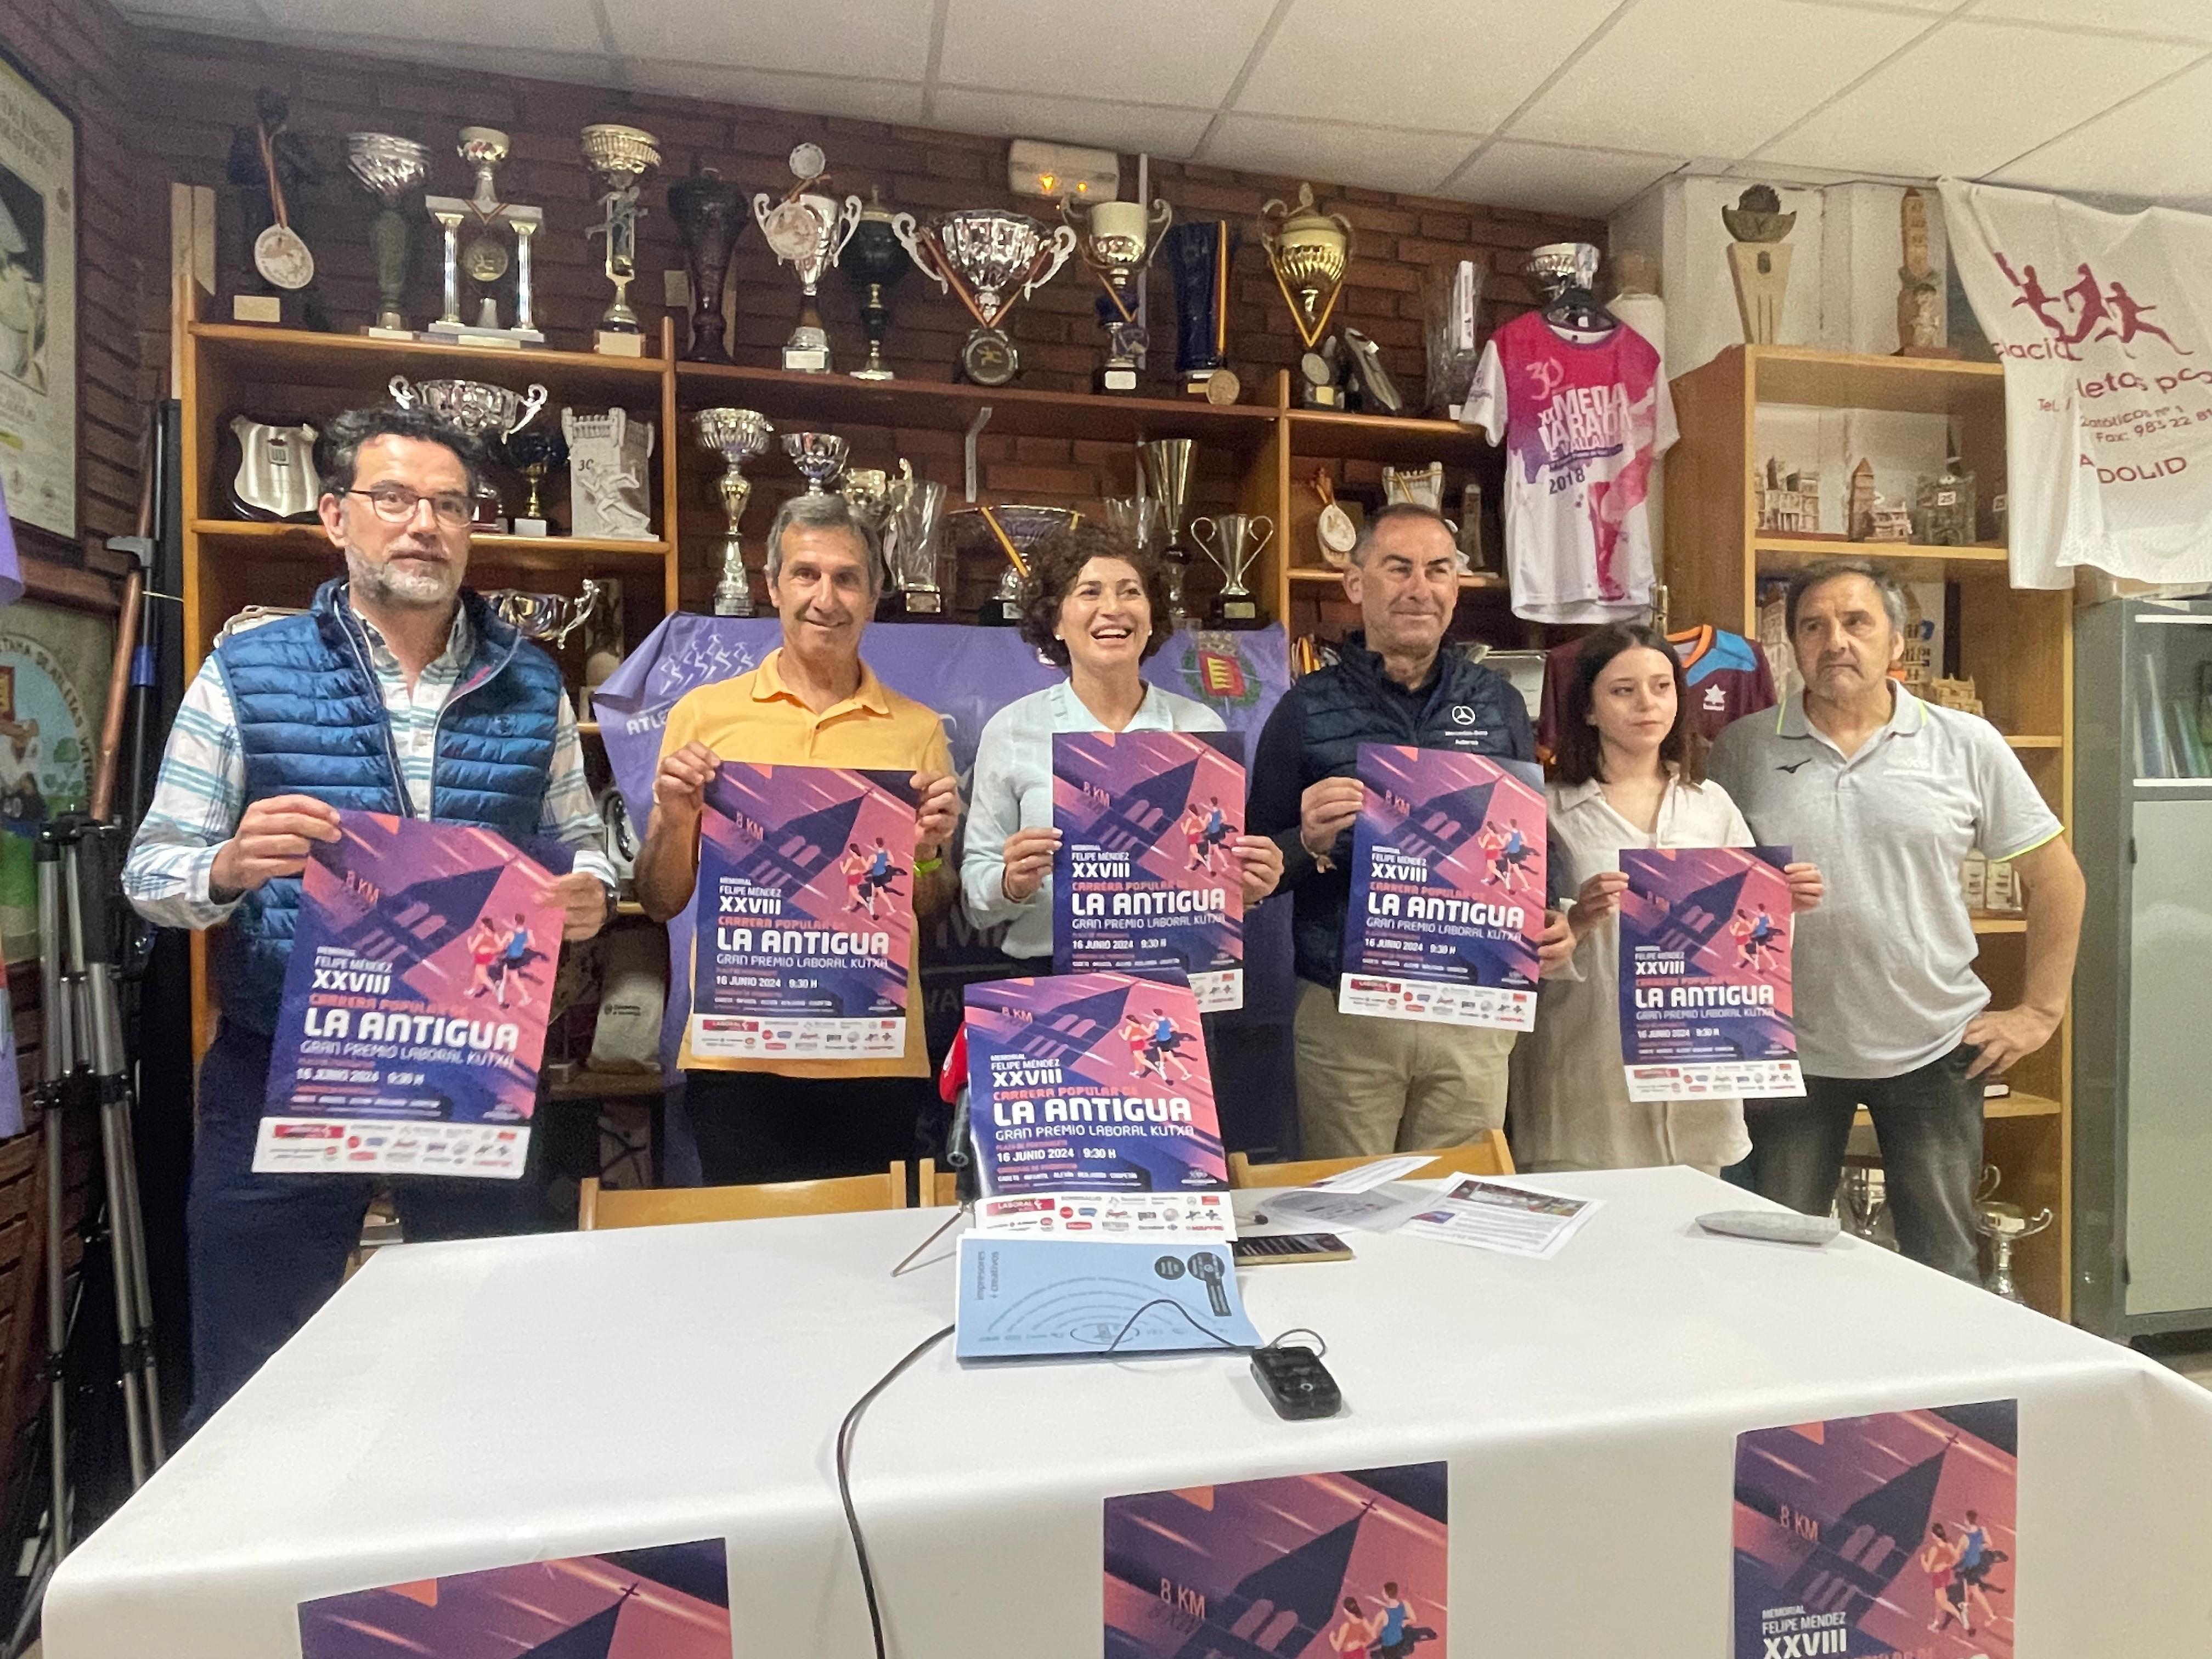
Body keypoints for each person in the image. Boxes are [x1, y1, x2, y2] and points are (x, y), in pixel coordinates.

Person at [121, 405, 617, 1423]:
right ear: (335, 515)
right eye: (393, 498)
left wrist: (592, 893)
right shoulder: (248, 671)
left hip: (474, 1067)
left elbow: (583, 841)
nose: (423, 524)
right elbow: (150, 871)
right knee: (257, 1379)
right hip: (286, 1068)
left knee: (488, 1369)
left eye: (448, 504)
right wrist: (227, 865)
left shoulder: (532, 683)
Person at [1708, 558, 2085, 1280]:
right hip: (1789, 1050)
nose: (1835, 641)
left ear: (1896, 642)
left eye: (1857, 622)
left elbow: (2057, 879)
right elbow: (1709, 890)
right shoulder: (1744, 748)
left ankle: (1942, 1367)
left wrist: (2040, 1011)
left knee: (1943, 1265)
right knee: (1774, 1263)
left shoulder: (1966, 743)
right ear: (1793, 645)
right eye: (1814, 627)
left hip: (1934, 1048)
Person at [636, 492, 961, 1185]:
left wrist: (930, 855)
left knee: (870, 1247)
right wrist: (675, 817)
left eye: (847, 579)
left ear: (873, 596)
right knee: (748, 1246)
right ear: (772, 585)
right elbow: (661, 899)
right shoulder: (705, 716)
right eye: (806, 574)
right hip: (738, 1056)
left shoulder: (918, 729)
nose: (826, 598)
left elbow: (929, 910)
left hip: (873, 1053)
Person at [1247, 503, 1572, 1158]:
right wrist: (1304, 842)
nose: (1419, 587)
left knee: (1459, 1201)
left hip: (1472, 1008)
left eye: (1438, 570)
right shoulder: (1304, 708)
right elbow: (1251, 869)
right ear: (1355, 583)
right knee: (1350, 1202)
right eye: (1398, 568)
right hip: (1349, 1016)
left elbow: (1531, 836)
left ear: (1456, 588)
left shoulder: (1498, 702)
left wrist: (1552, 913)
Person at [1514, 624, 1822, 1177]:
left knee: (1690, 1226)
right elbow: (1513, 948)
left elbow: (1752, 952)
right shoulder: (1547, 809)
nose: (1647, 704)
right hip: (1586, 1081)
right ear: (1587, 708)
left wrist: (1781, 904)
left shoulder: (1711, 805)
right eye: (1623, 690)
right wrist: (1576, 922)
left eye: (1661, 687)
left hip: (1698, 1082)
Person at [961, 521, 1281, 963]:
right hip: (1052, 980)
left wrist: (1248, 886)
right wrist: (1011, 884)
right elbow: (976, 902)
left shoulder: (1199, 728)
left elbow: (1215, 875)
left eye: (1130, 592)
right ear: (1056, 622)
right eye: (1089, 592)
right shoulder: (1013, 729)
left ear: (1151, 620)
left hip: (1177, 976)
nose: (1112, 608)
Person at [1921, 1523, 1972, 1636]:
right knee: (1939, 1602)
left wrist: (1923, 1560)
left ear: (1935, 1535)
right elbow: (1957, 1558)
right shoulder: (1948, 1545)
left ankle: (1961, 1617)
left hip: (1938, 1577)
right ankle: (1936, 1623)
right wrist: (1947, 1565)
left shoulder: (1934, 1549)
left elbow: (1927, 1569)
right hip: (1946, 1575)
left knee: (1943, 1603)